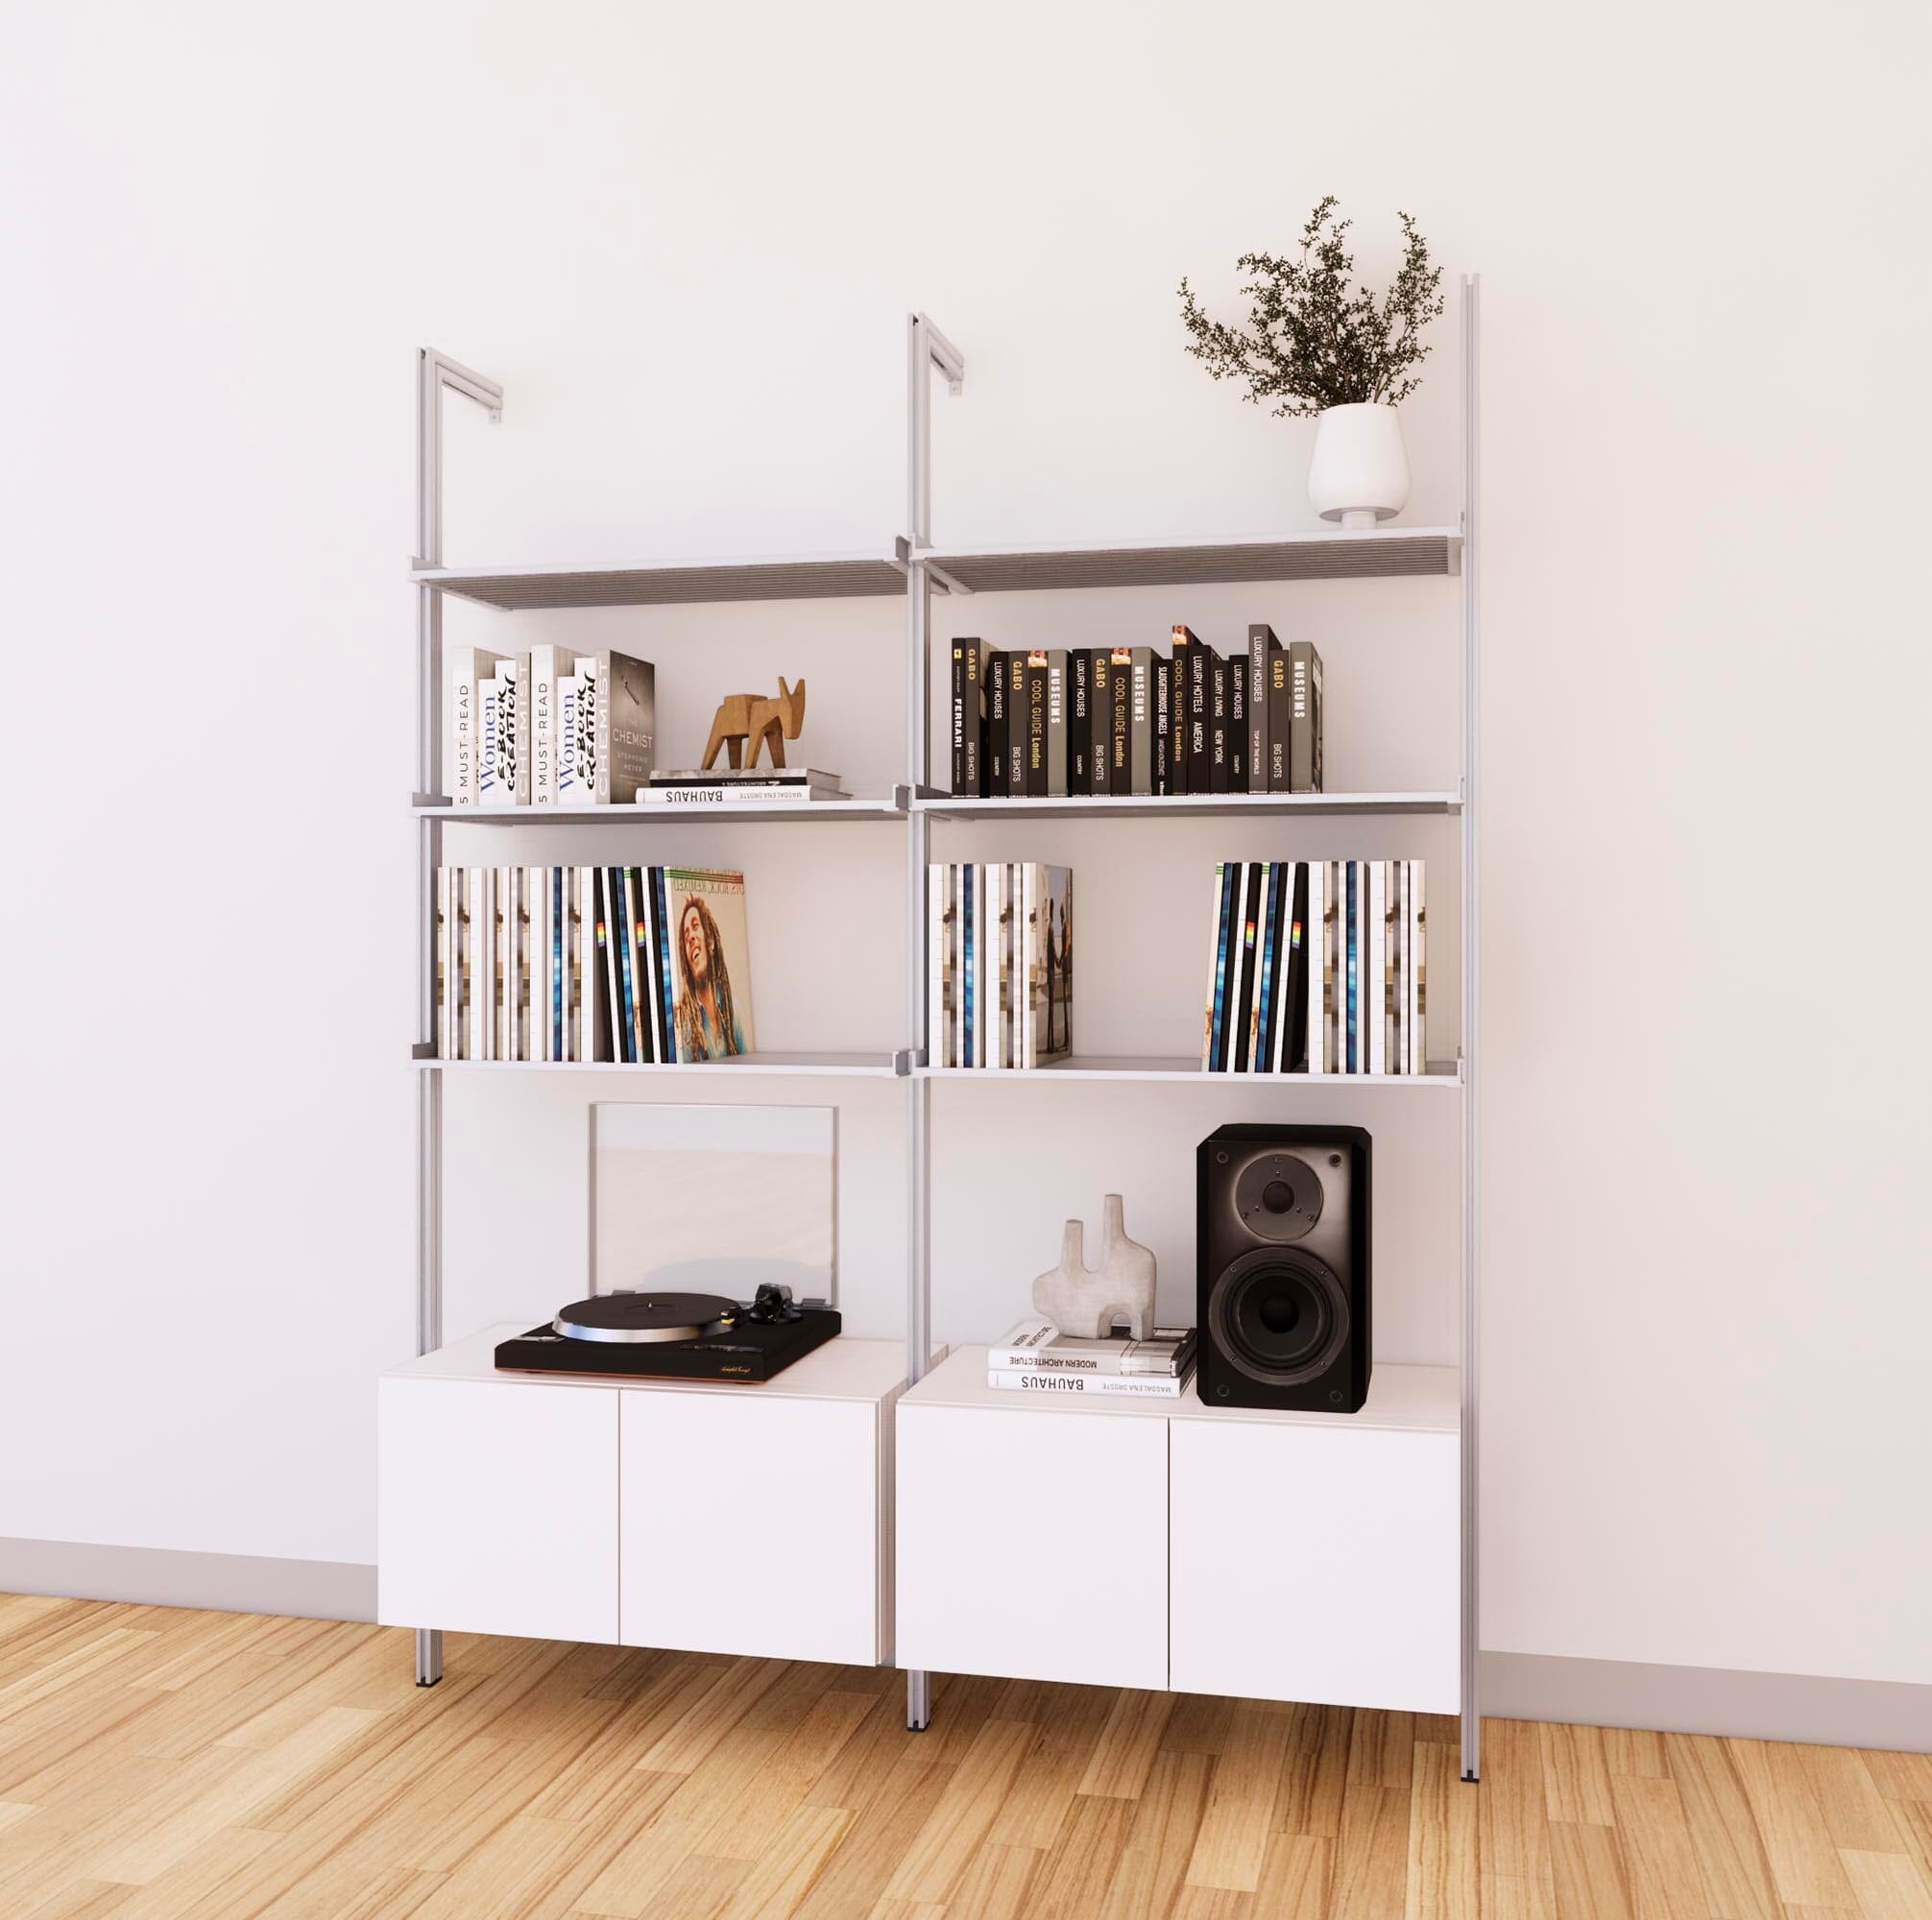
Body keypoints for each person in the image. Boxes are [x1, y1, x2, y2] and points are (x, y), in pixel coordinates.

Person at [673, 893, 747, 1059]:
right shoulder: (683, 1025)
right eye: (686, 936)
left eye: (695, 926)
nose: (690, 937)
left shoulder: (733, 1010)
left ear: (711, 941)